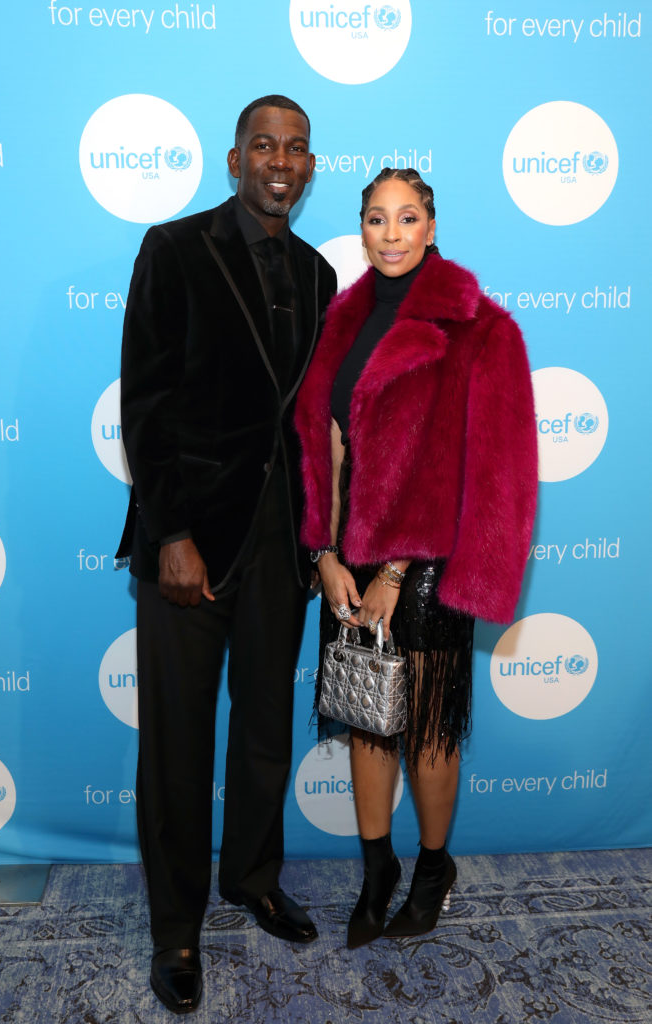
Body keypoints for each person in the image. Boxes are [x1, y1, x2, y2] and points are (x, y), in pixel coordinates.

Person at [117, 95, 337, 1013]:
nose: (280, 161)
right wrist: (169, 533)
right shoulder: (174, 250)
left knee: (260, 735)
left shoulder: (322, 275)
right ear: (233, 159)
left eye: (296, 148)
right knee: (175, 742)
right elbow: (147, 400)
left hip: (281, 548)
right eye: (263, 146)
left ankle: (251, 876)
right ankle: (175, 926)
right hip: (191, 544)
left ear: (308, 166)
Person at [294, 167, 537, 949]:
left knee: (427, 729)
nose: (390, 234)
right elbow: (319, 446)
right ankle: (376, 872)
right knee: (369, 720)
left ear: (431, 226)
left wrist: (397, 571)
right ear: (360, 228)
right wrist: (324, 553)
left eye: (406, 219)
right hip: (346, 559)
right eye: (375, 219)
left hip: (429, 561)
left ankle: (433, 866)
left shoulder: (481, 328)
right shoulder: (338, 319)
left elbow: (494, 468)